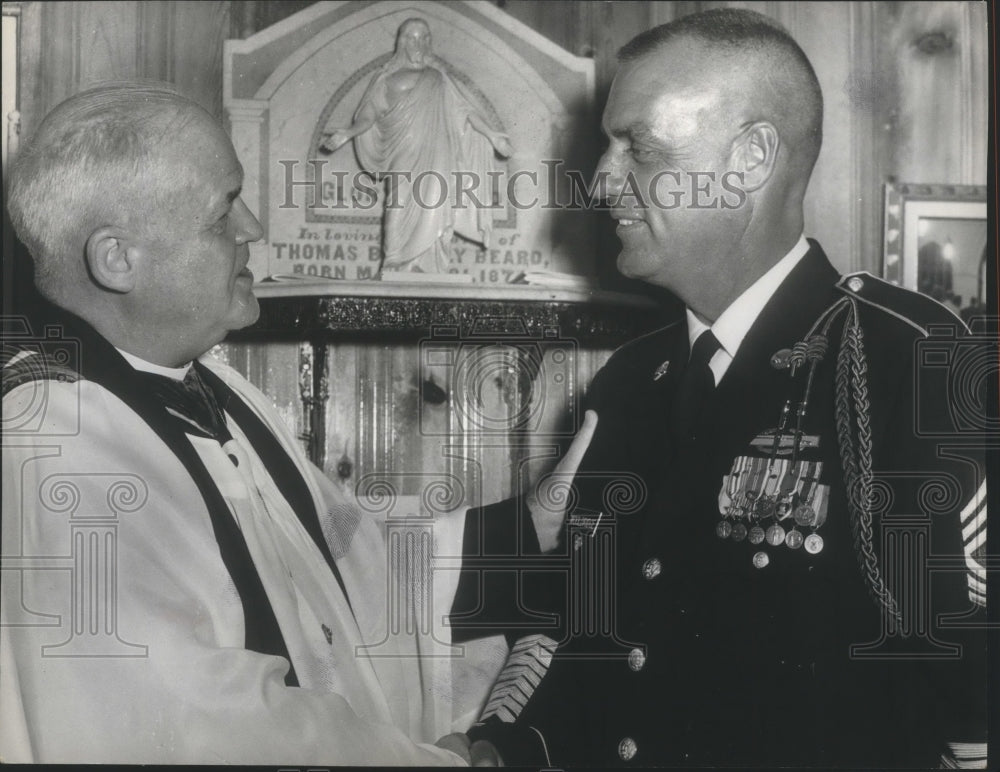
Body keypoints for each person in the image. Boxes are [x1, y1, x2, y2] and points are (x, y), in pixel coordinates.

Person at [450, 8, 987, 768]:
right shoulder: (632, 382)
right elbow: (579, 636)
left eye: (637, 147)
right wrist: (503, 750)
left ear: (751, 158)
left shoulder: (907, 362)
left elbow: (973, 704)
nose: (602, 182)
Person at [0, 82, 477, 765]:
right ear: (117, 259)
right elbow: (200, 726)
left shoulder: (206, 384)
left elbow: (342, 560)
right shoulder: (51, 443)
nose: (252, 228)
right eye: (223, 212)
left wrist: (518, 531)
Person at [321, 18, 512, 273]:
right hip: (404, 154)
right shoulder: (386, 79)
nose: (418, 43)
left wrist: (492, 135)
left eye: (424, 37)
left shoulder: (438, 78)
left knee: (436, 205)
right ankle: (396, 262)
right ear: (402, 42)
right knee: (398, 206)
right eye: (412, 37)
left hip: (438, 157)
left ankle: (431, 265)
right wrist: (348, 133)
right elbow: (369, 115)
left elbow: (464, 111)